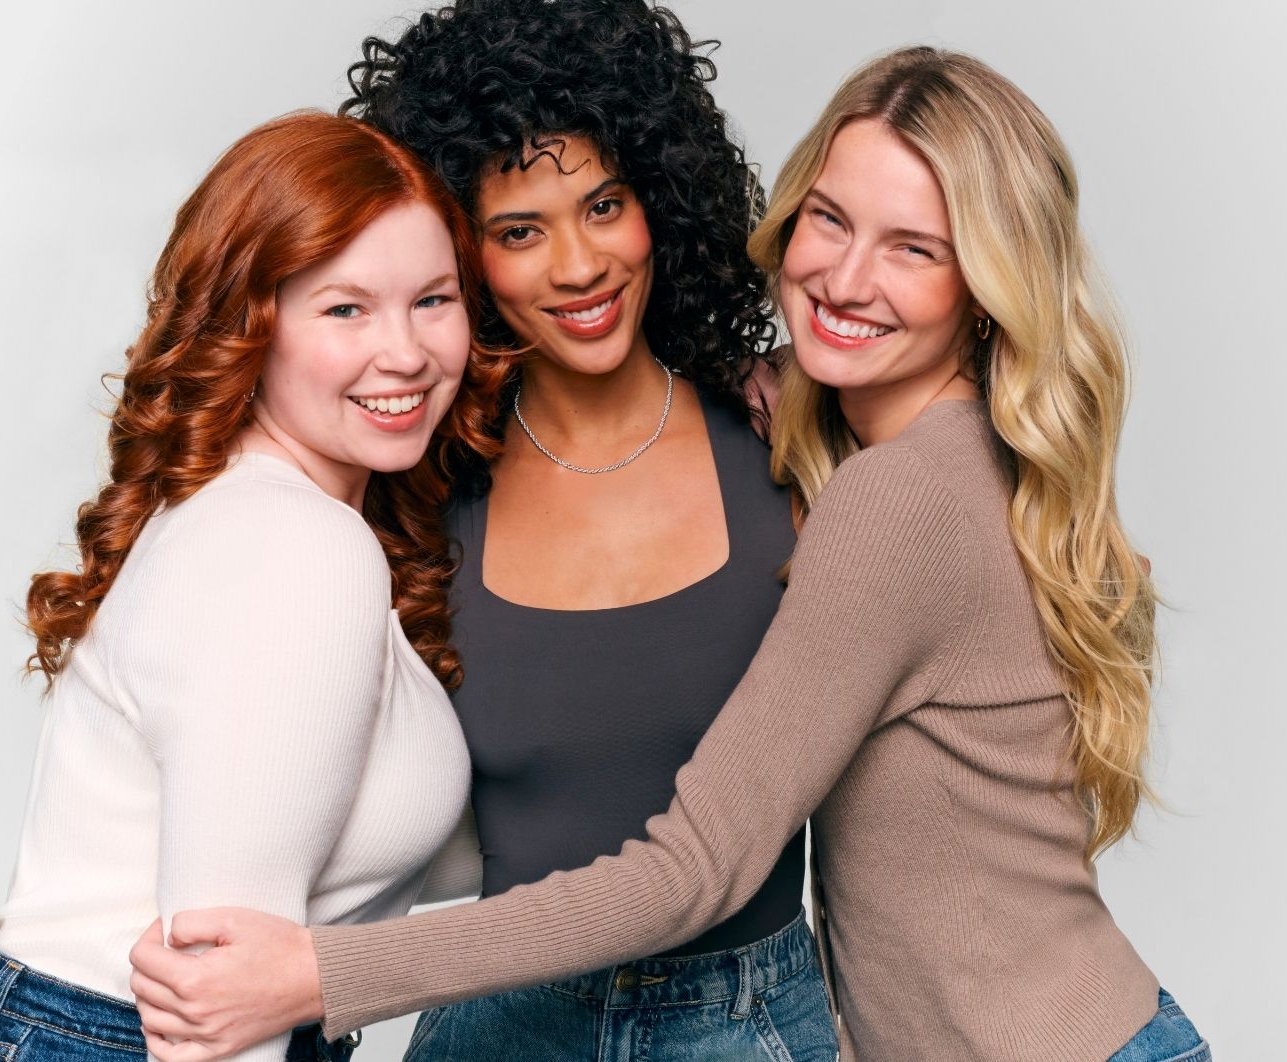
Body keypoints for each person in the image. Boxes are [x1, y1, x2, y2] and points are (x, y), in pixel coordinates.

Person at [127, 47, 1211, 1062]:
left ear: (986, 282)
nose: (845, 279)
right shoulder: (850, 443)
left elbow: (698, 867)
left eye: (914, 248)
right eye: (829, 220)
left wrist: (323, 975)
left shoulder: (890, 494)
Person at [131, 1, 838, 1059]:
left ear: (662, 201)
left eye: (605, 205)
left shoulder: (790, 446)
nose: (578, 265)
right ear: (461, 260)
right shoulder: (412, 494)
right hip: (497, 1015)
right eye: (519, 231)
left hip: (751, 1022)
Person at [0, 111, 506, 1062]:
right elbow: (217, 992)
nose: (406, 352)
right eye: (344, 309)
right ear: (250, 325)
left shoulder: (268, 515)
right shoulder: (294, 545)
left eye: (433, 299)